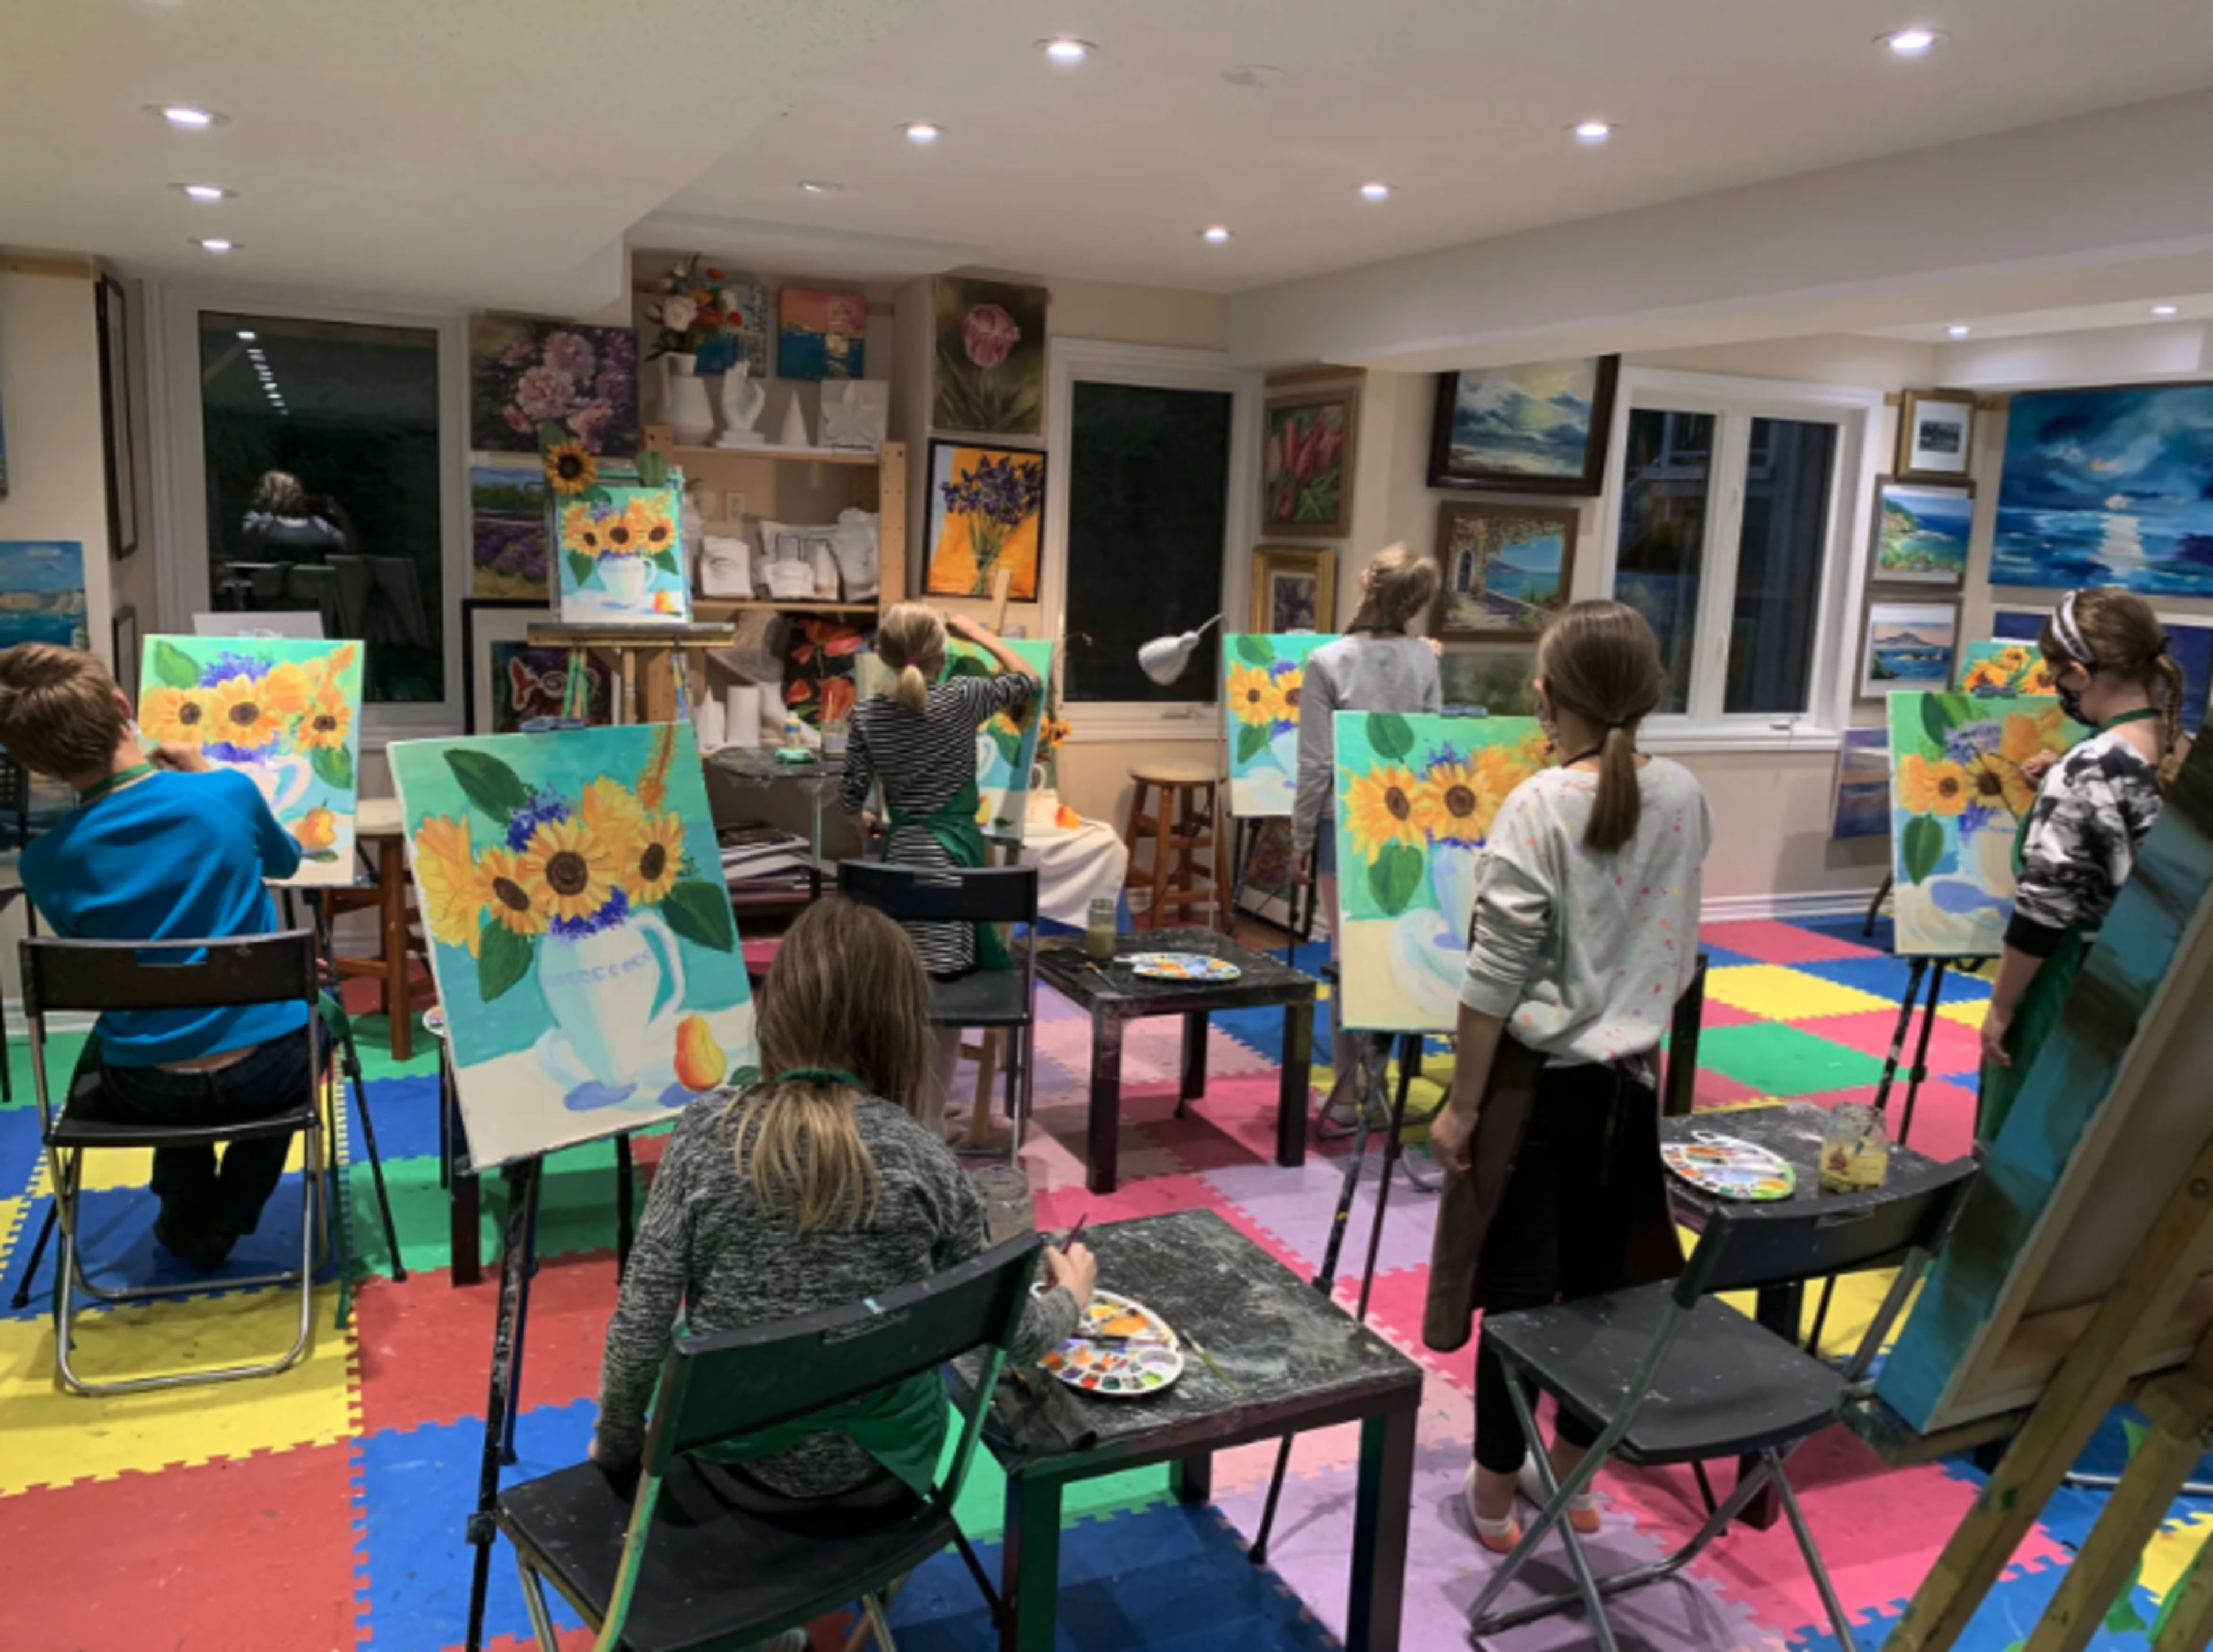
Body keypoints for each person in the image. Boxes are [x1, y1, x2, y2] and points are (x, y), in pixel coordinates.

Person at [591, 897, 1092, 1603]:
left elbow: (638, 1332)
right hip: (881, 1480)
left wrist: (616, 1451)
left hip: (727, 1470)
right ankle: (872, 1591)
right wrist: (1072, 1292)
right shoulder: (925, 1158)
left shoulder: (703, 1135)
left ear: (777, 1009)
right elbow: (1013, 1334)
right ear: (901, 1025)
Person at [1420, 601, 1712, 1555]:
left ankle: (1497, 1493)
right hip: (1632, 1087)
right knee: (1603, 1287)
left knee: (1519, 1291)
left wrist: (1460, 1107)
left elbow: (1492, 981)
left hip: (1536, 1089)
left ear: (1547, 697)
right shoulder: (1685, 795)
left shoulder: (1540, 803)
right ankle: (1577, 1483)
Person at [0, 642, 311, 1269]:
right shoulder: (225, 792)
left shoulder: (46, 861)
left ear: (32, 761)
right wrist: (201, 773)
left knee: (145, 1030)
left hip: (145, 1089)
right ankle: (234, 1208)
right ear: (122, 707)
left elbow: (100, 951)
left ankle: (184, 1203)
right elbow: (286, 862)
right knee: (318, 1019)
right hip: (270, 1073)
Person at [1977, 588, 2191, 1143]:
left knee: (2030, 1144)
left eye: (2056, 677)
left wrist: (2002, 1007)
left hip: (2076, 984)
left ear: (2078, 673)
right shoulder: (2179, 746)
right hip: (2157, 984)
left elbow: (2045, 908)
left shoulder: (2088, 767)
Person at [839, 602, 1039, 1129]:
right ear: (941, 652)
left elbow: (851, 803)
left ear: (880, 655)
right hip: (955, 866)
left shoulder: (866, 715)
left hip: (897, 874)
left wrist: (872, 823)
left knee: (908, 995)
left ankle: (912, 1106)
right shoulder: (962, 698)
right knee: (947, 995)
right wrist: (976, 629)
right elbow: (1029, 679)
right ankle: (927, 1120)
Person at [1291, 543, 1443, 1133]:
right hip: (1408, 822)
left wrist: (1301, 837)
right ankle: (1378, 1081)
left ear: (1366, 584)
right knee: (1394, 949)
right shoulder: (1426, 660)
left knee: (1345, 956)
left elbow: (1315, 764)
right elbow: (1430, 751)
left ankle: (1351, 1090)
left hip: (1346, 822)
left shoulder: (1327, 661)